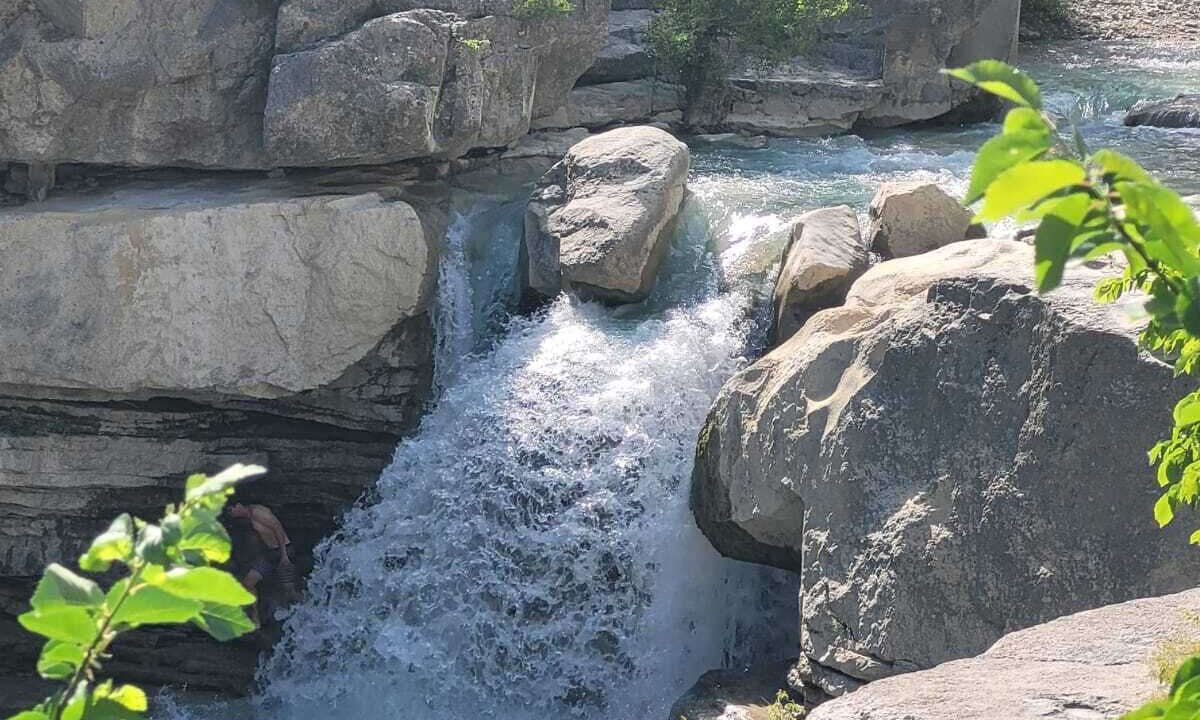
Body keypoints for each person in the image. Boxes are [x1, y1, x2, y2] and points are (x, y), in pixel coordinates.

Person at [227, 502, 303, 629]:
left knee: (290, 591)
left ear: (238, 505)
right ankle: (256, 619)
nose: (231, 514)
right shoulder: (250, 517)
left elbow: (277, 529)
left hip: (283, 551)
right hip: (270, 555)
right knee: (248, 582)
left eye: (231, 510)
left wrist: (284, 556)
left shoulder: (258, 512)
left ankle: (315, 609)